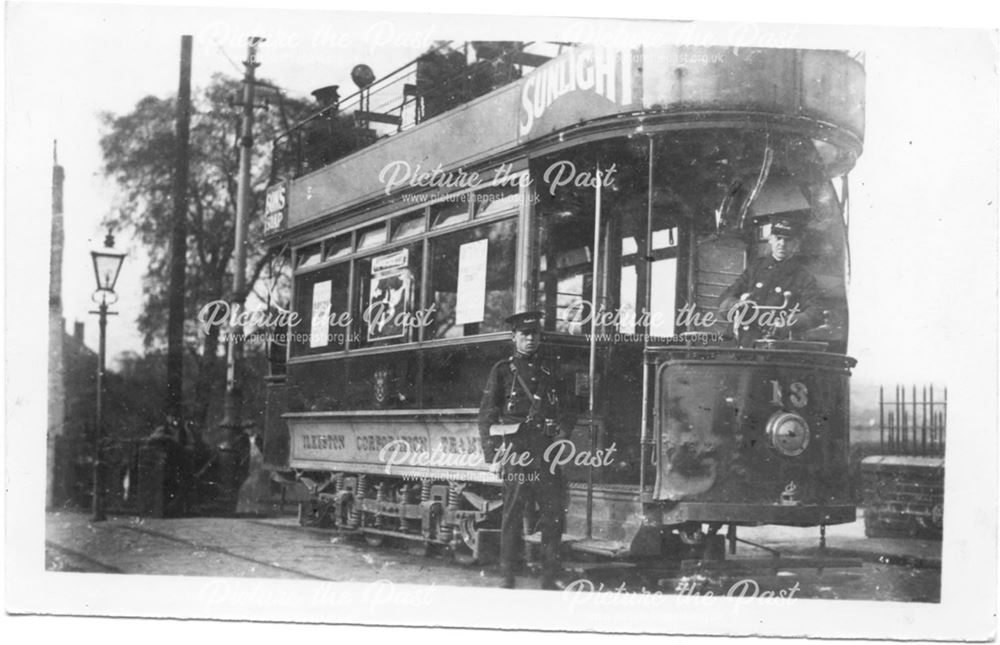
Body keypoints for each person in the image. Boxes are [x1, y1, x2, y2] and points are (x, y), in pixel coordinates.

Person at [478, 311, 575, 590]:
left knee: (553, 512)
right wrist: (492, 457)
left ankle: (550, 575)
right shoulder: (502, 370)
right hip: (516, 451)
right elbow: (486, 416)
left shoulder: (551, 369)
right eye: (524, 335)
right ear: (514, 338)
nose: (530, 339)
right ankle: (507, 574)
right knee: (512, 513)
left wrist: (564, 431)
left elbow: (569, 408)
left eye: (535, 335)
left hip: (545, 450)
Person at [718, 216, 824, 346]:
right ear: (771, 239)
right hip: (741, 340)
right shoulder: (755, 269)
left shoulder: (803, 277)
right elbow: (726, 297)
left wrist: (788, 323)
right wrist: (736, 306)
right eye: (778, 238)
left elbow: (815, 312)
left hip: (776, 344)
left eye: (788, 240)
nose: (782, 244)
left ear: (796, 243)